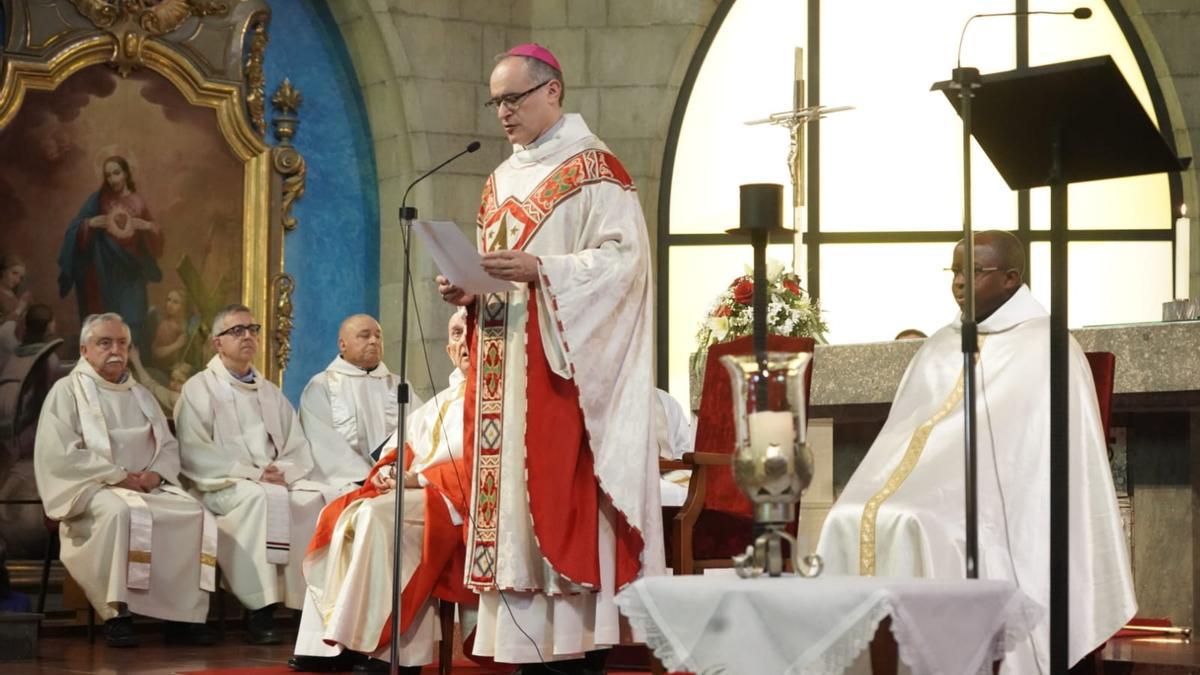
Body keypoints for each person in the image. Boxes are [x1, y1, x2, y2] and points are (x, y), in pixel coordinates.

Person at [437, 43, 664, 672]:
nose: (502, 113)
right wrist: (466, 288)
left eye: (513, 98)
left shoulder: (596, 170)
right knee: (507, 508)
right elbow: (496, 274)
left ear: (552, 92)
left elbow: (627, 265)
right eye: (495, 103)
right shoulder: (499, 179)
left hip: (563, 371)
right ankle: (524, 646)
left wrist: (546, 270)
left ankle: (574, 645)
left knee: (556, 497)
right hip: (502, 371)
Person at [816, 230, 1135, 674]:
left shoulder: (1049, 346)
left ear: (1011, 278)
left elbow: (1038, 457)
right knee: (846, 516)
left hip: (1007, 509)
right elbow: (909, 432)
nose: (959, 283)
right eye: (955, 271)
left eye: (973, 272)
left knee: (922, 525)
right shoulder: (940, 344)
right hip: (929, 490)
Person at [290, 309, 477, 674]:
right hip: (419, 491)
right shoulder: (441, 400)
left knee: (377, 517)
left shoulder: (490, 399)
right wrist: (386, 473)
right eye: (455, 334)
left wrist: (415, 479)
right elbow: (404, 448)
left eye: (469, 332)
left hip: (458, 501)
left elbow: (475, 463)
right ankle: (332, 643)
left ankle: (385, 649)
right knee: (343, 512)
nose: (462, 342)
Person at [33, 313, 216, 647]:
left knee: (195, 513)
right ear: (85, 349)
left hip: (146, 486)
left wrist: (155, 474)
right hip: (92, 489)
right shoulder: (67, 391)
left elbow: (167, 445)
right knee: (120, 514)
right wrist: (116, 476)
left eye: (121, 343)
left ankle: (182, 618)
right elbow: (60, 453)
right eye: (105, 343)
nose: (115, 350)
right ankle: (118, 614)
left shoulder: (141, 395)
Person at [175, 303, 333, 645]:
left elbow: (296, 446)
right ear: (218, 343)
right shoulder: (199, 389)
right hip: (220, 486)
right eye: (237, 331)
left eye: (252, 329)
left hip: (269, 482)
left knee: (314, 500)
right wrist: (252, 474)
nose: (247, 336)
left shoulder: (269, 392)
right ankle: (259, 610)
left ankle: (304, 607)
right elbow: (194, 450)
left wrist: (283, 471)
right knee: (261, 500)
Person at [298, 314, 420, 493]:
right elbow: (322, 442)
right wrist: (368, 477)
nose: (373, 341)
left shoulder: (399, 385)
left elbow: (419, 429)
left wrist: (392, 474)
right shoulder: (322, 385)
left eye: (378, 336)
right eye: (364, 335)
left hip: (395, 481)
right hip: (348, 483)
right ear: (342, 344)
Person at [57, 156, 164, 354]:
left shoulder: (138, 201)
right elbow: (75, 227)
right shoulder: (98, 199)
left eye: (117, 173)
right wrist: (89, 224)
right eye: (108, 175)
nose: (113, 179)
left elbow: (155, 236)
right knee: (105, 320)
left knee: (133, 318)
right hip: (103, 273)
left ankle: (131, 363)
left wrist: (148, 226)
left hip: (131, 271)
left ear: (126, 173)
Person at [655, 389, 694, 508]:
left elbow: (685, 448)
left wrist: (667, 462)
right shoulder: (614, 399)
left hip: (668, 472)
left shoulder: (667, 401)